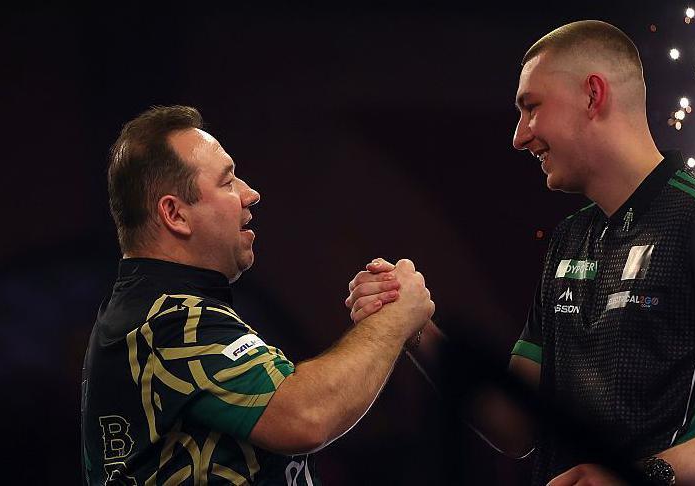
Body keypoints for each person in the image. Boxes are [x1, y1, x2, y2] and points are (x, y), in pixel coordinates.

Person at [346, 20, 695, 485]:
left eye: (531, 108)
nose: (519, 136)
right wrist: (414, 328)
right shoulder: (568, 240)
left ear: (593, 95)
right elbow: (517, 426)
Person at [81, 105, 435, 485]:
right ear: (176, 214)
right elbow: (306, 416)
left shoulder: (152, 313)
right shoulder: (170, 321)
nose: (251, 194)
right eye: (227, 182)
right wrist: (394, 320)